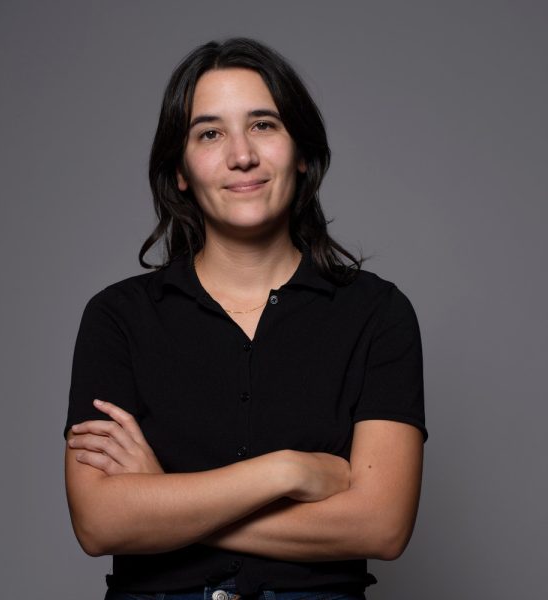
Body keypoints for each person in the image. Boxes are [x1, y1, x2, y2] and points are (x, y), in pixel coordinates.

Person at [64, 38, 427, 600]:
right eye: (210, 133)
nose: (241, 156)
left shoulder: (378, 314)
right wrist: (285, 471)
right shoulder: (117, 318)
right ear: (180, 170)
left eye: (263, 125)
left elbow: (382, 526)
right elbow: (99, 523)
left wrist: (165, 501)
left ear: (301, 151)